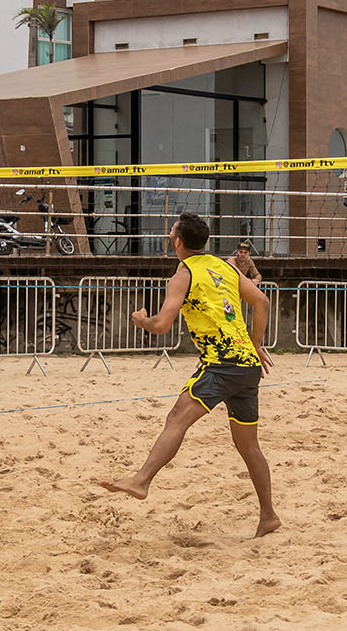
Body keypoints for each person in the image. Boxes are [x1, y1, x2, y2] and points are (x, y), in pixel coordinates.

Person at [97, 211, 281, 538]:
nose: (170, 234)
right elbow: (262, 302)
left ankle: (141, 480)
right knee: (248, 446)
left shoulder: (183, 274)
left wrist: (141, 320)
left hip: (221, 362)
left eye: (172, 231)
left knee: (176, 419)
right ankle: (268, 516)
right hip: (247, 364)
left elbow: (161, 325)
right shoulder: (225, 266)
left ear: (178, 242)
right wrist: (255, 344)